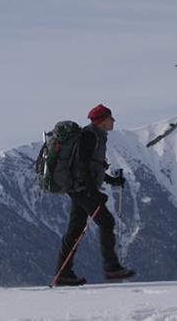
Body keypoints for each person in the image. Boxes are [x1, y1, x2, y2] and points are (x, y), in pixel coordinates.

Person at [53, 104, 134, 286]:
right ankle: (111, 268)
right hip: (81, 188)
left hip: (78, 188)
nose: (113, 121)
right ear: (102, 121)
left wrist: (111, 181)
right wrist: (94, 193)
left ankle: (63, 274)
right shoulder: (90, 136)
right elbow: (82, 167)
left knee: (75, 229)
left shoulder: (96, 136)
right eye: (110, 118)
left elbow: (91, 165)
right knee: (106, 222)